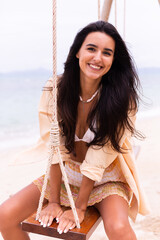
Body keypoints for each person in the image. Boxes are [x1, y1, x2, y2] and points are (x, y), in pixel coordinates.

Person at [0, 21, 150, 240]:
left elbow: (100, 156)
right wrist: (52, 201)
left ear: (113, 60)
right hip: (66, 174)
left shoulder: (122, 100)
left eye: (106, 53)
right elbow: (55, 146)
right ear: (77, 52)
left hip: (105, 179)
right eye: (91, 49)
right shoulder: (56, 89)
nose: (98, 58)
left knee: (118, 228)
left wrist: (79, 207)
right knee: (5, 215)